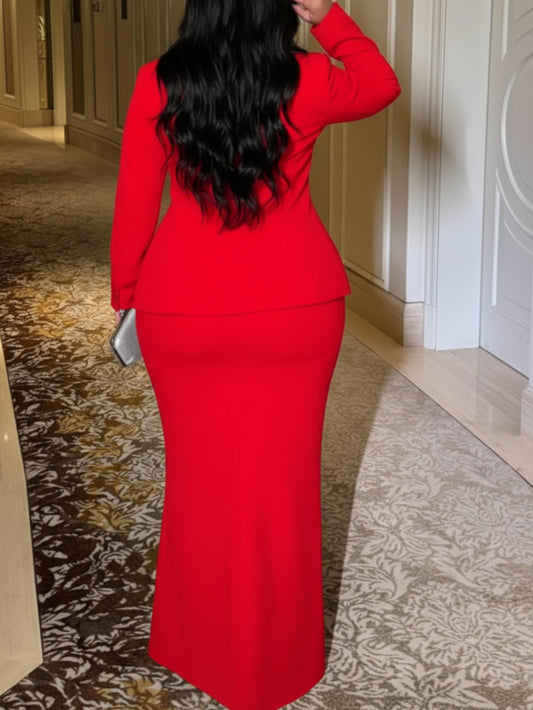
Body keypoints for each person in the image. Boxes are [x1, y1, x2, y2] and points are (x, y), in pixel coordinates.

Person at [110, 0, 400, 708]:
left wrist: (127, 295)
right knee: (283, 487)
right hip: (295, 312)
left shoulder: (157, 81)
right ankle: (278, 662)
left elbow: (135, 198)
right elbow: (380, 83)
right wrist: (328, 16)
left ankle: (196, 647)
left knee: (198, 481)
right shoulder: (308, 78)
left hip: (183, 311)